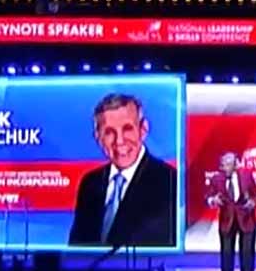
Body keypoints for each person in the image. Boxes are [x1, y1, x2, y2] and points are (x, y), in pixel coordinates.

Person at [67, 92, 179, 249]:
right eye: (109, 132)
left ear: (143, 129)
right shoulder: (90, 183)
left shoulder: (169, 181)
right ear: (98, 137)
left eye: (127, 129)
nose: (119, 141)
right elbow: (78, 248)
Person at [208, 150, 256, 271]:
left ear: (234, 165)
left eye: (226, 165)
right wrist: (212, 200)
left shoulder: (246, 176)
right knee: (226, 257)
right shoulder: (217, 179)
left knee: (247, 257)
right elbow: (209, 195)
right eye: (222, 164)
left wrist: (253, 203)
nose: (222, 167)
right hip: (227, 222)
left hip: (247, 220)